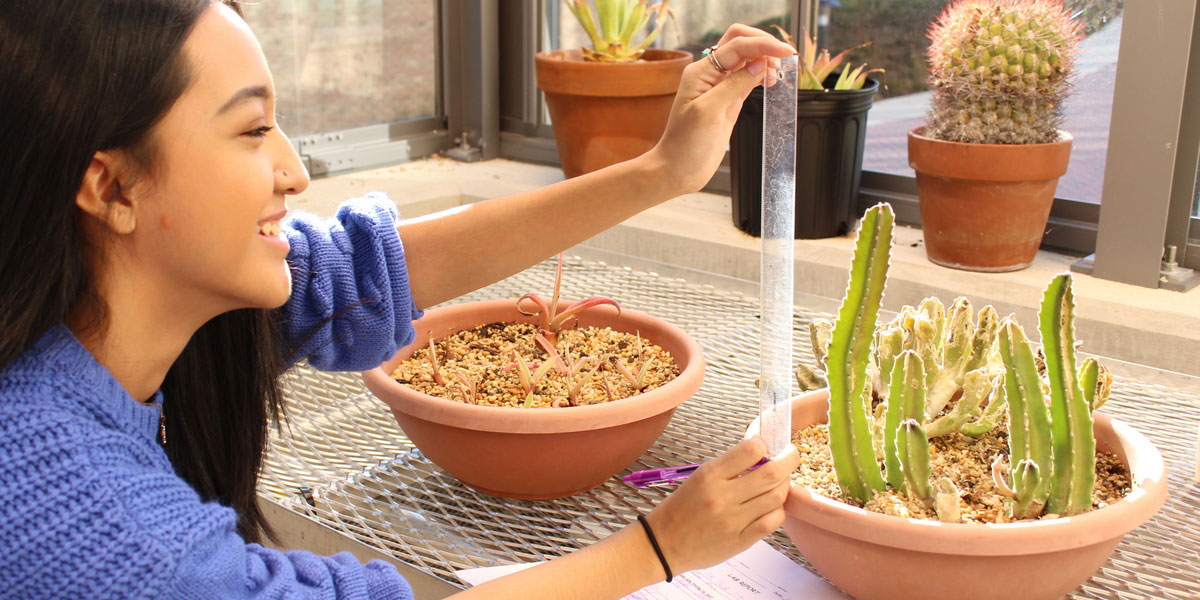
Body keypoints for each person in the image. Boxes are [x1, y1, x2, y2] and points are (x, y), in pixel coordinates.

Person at [0, 1, 799, 598]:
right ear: (111, 187)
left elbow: (366, 267)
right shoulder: (75, 510)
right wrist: (659, 547)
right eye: (251, 132)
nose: (294, 172)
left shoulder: (137, 316)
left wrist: (663, 171)